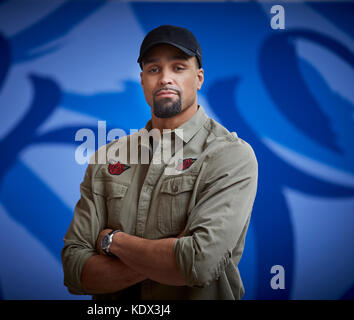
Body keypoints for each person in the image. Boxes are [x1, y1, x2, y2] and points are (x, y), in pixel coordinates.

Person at [61, 25, 258, 300]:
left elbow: (200, 263)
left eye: (178, 68)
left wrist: (112, 241)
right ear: (143, 80)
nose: (165, 78)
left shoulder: (230, 155)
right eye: (154, 69)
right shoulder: (107, 158)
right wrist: (167, 256)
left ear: (199, 78)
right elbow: (74, 269)